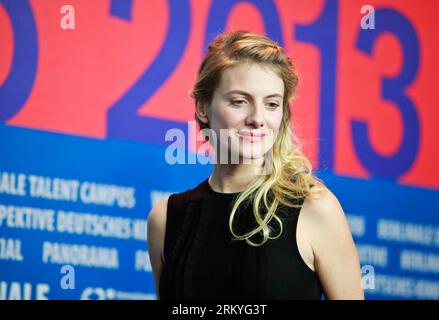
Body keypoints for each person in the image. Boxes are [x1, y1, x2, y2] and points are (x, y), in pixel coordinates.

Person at [147, 30, 364, 300]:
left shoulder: (314, 208)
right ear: (203, 107)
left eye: (272, 104)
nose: (257, 119)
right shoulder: (166, 219)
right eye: (239, 101)